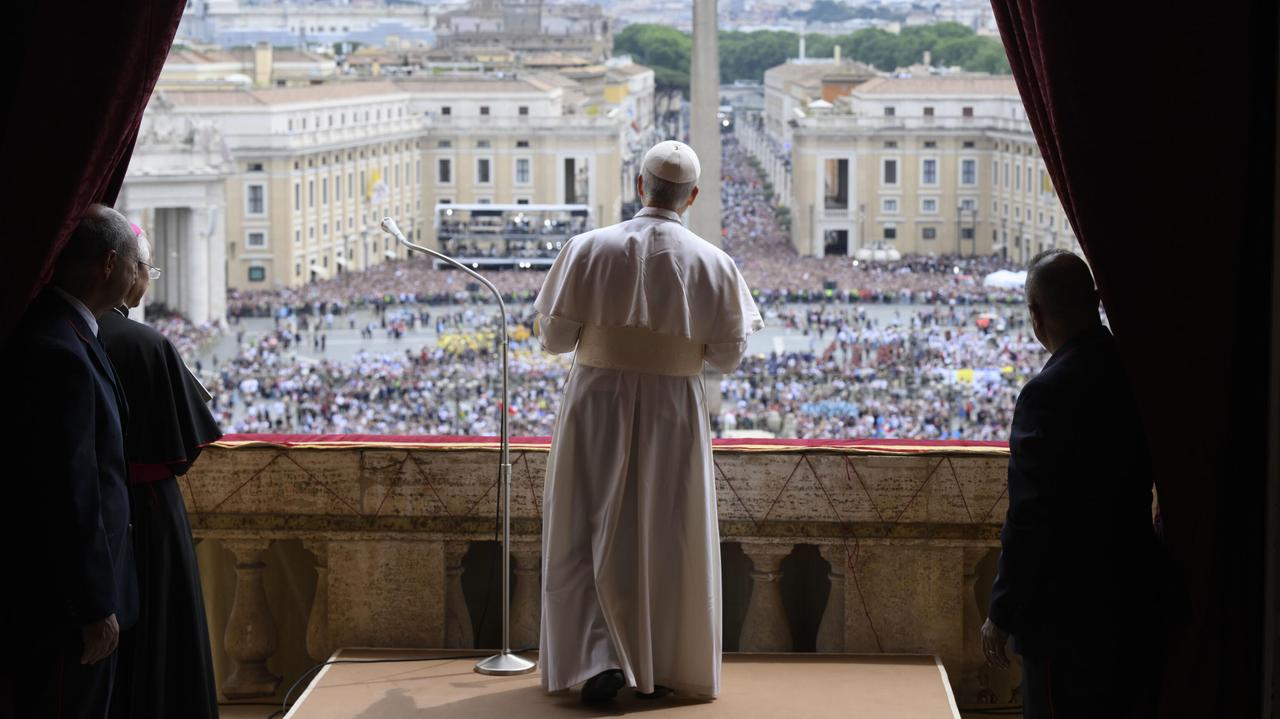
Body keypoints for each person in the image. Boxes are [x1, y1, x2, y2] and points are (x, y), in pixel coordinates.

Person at [536, 140, 763, 703]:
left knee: (583, 527)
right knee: (669, 529)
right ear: (693, 197)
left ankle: (592, 660)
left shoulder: (585, 248)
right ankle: (662, 659)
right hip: (673, 411)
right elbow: (728, 357)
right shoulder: (716, 263)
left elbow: (554, 339)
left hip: (596, 402)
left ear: (640, 186)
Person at [981, 249, 1160, 717]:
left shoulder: (1046, 394)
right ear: (1095, 300)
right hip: (1138, 597)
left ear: (1035, 315)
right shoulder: (1138, 371)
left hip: (1066, 619)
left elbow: (1031, 516)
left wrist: (1002, 611)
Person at [1, 204, 141, 718]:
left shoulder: (71, 333)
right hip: (67, 609)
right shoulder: (57, 348)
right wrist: (93, 606)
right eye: (133, 263)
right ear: (108, 263)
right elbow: (70, 492)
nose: (134, 277)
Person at [97, 226, 222, 719]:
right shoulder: (147, 344)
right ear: (123, 272)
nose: (147, 280)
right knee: (160, 647)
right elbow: (185, 449)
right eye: (146, 270)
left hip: (87, 519)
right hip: (148, 517)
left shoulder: (53, 333)